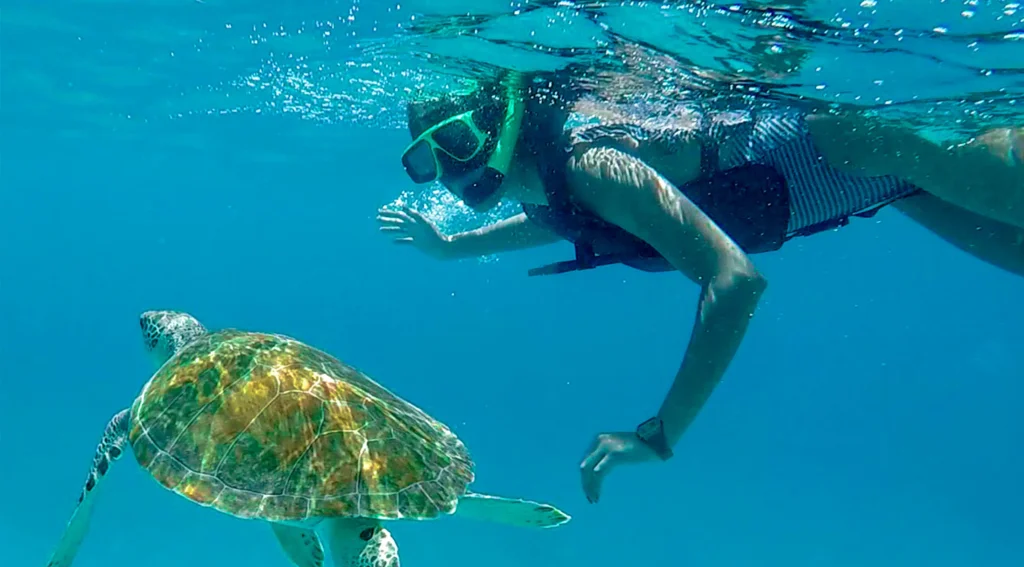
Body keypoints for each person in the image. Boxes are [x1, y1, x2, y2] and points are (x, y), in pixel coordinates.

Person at [376, 70, 1024, 504]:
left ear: (500, 118)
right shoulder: (544, 178)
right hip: (881, 179)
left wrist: (658, 435)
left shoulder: (589, 162)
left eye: (456, 142)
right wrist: (453, 247)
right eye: (425, 161)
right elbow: (562, 219)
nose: (449, 176)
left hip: (869, 152)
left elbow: (735, 281)